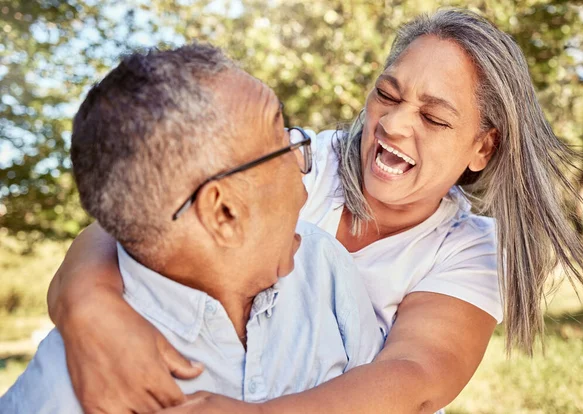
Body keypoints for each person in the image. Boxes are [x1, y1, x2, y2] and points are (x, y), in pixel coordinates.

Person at [45, 8, 583, 414]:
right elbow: (145, 209)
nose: (395, 124)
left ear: (484, 147)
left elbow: (415, 374)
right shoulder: (304, 160)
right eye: (387, 94)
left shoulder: (469, 248)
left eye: (433, 118)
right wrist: (89, 306)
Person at [0, 45, 384, 413]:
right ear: (224, 212)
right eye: (280, 142)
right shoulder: (59, 398)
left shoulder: (322, 264)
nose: (304, 162)